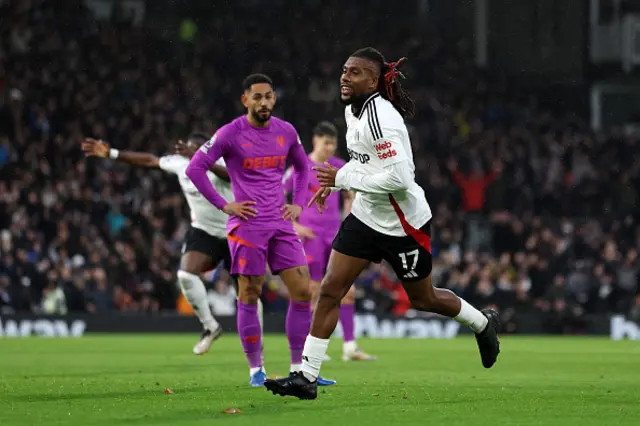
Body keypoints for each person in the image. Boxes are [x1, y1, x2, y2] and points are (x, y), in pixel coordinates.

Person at [264, 47, 501, 400]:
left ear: (373, 81)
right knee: (330, 290)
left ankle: (482, 323)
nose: (345, 77)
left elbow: (401, 178)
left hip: (403, 224)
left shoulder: (382, 119)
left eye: (355, 72)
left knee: (424, 299)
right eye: (344, 70)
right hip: (365, 215)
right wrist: (339, 180)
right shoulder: (351, 111)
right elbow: (365, 165)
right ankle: (306, 377)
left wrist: (342, 178)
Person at [185, 74, 335, 387]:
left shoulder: (287, 131)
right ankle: (256, 369)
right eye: (257, 97)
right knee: (249, 294)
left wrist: (298, 203)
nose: (264, 102)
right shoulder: (229, 133)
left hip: (281, 222)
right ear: (245, 100)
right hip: (247, 225)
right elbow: (194, 168)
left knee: (303, 292)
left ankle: (302, 369)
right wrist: (223, 205)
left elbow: (303, 166)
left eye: (268, 96)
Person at [81, 134, 264, 355]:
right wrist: (111, 153)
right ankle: (210, 326)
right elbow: (150, 160)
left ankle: (257, 342)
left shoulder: (224, 162)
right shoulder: (180, 164)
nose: (188, 154)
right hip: (204, 231)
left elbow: (233, 177)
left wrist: (201, 159)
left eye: (195, 150)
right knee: (185, 275)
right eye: (186, 150)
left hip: (236, 231)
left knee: (247, 294)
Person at [283, 121, 376, 362]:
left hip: (336, 236)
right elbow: (276, 195)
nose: (330, 148)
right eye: (326, 142)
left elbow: (353, 194)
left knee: (348, 290)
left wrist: (352, 212)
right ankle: (310, 349)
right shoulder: (300, 166)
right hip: (310, 237)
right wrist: (294, 226)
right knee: (313, 291)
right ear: (315, 141)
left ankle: (350, 347)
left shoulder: (339, 166)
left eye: (334, 143)